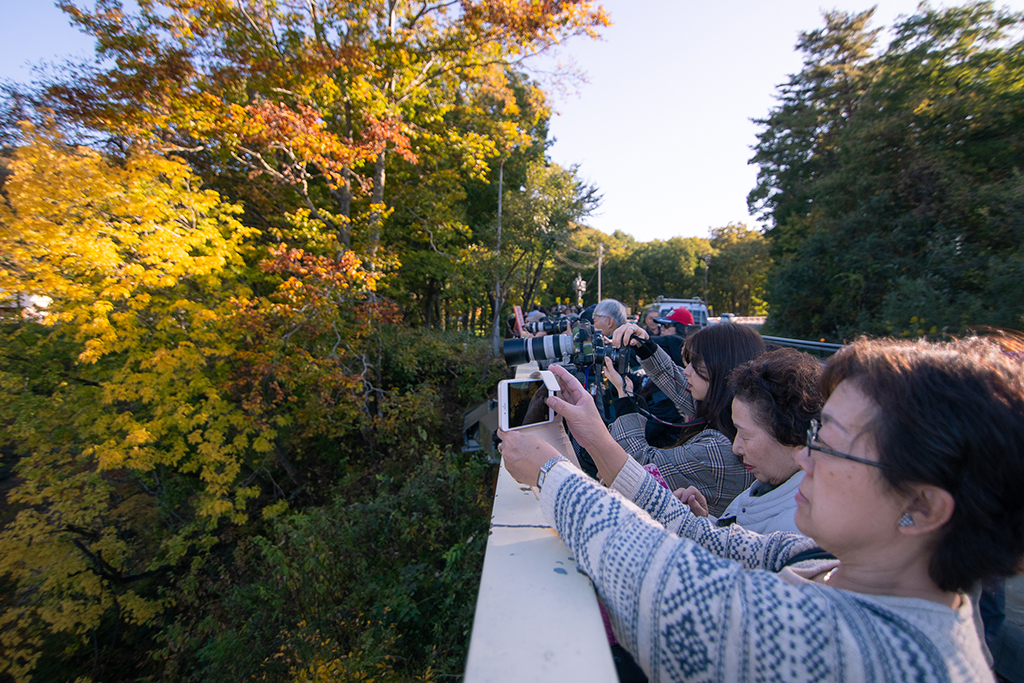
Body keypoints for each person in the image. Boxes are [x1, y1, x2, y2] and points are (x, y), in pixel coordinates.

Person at [499, 337, 1024, 682]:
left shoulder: (881, 659)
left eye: (829, 441)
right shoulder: (826, 559)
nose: (804, 455)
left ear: (922, 505)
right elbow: (697, 536)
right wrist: (590, 430)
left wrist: (552, 473)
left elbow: (661, 583)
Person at [602, 322, 765, 516]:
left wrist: (624, 397)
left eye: (695, 366)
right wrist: (644, 345)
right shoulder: (731, 413)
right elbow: (675, 381)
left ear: (720, 370)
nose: (686, 371)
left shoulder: (718, 449)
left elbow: (638, 468)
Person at [676, 347, 824, 534]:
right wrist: (704, 523)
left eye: (745, 435)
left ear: (792, 436)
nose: (736, 448)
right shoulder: (771, 484)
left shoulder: (793, 529)